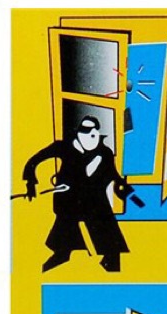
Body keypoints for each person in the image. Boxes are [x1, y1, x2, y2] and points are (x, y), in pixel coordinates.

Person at [22, 116, 132, 272]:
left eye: (94, 131)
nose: (91, 135)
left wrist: (123, 188)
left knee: (111, 247)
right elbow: (34, 161)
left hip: (96, 202)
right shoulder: (64, 147)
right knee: (63, 245)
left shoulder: (104, 152)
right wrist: (30, 183)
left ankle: (111, 265)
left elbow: (112, 174)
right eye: (86, 131)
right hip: (70, 202)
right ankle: (51, 263)